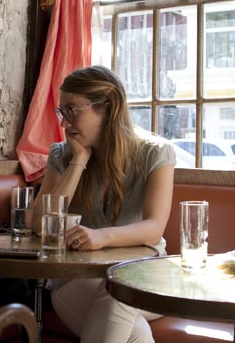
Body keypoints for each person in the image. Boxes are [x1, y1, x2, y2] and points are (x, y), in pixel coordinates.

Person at [31, 66, 175, 343]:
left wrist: (100, 237)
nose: (64, 123)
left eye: (72, 110)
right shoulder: (62, 154)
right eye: (62, 112)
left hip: (147, 277)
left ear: (107, 108)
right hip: (76, 279)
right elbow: (39, 223)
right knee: (134, 328)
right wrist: (78, 162)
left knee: (122, 285)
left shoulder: (155, 152)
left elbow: (154, 227)